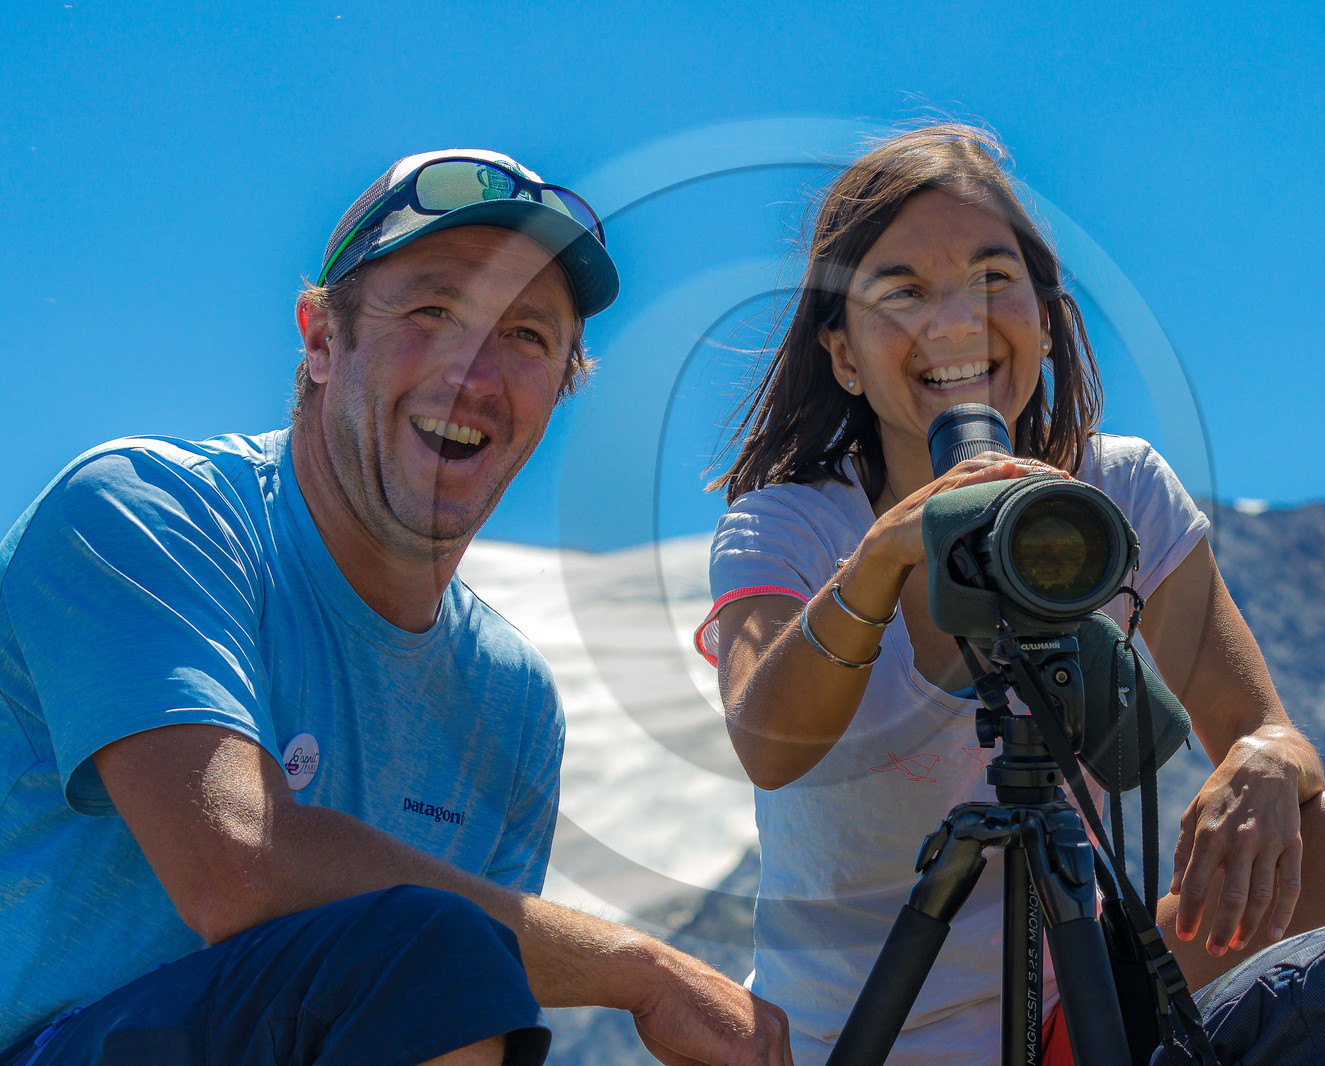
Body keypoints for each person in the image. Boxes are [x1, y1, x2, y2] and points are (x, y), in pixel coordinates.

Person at [0, 148, 790, 1066]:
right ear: (322, 340)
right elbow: (238, 867)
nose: (475, 373)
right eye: (433, 311)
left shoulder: (510, 700)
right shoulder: (146, 513)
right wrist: (645, 970)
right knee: (432, 949)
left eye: (529, 336)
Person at [694, 124, 1325, 1065]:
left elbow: (1260, 726)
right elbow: (769, 743)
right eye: (902, 291)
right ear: (841, 354)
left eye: (994, 279)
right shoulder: (786, 526)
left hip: (1081, 1014)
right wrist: (879, 563)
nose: (956, 322)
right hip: (853, 1036)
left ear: (1044, 315)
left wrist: (1272, 759)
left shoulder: (1118, 492)